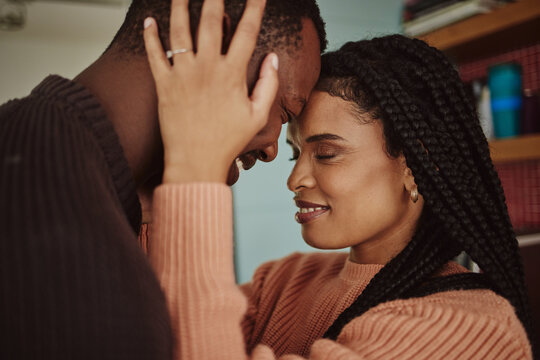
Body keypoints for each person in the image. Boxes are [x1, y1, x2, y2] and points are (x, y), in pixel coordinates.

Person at [142, 1, 535, 358]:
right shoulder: (282, 282)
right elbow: (157, 333)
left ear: (416, 165)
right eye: (296, 154)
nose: (294, 179)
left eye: (326, 154)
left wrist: (195, 170)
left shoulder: (469, 328)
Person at [0, 0, 326, 358]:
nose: (271, 151)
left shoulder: (83, 175)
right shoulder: (44, 202)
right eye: (283, 110)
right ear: (215, 42)